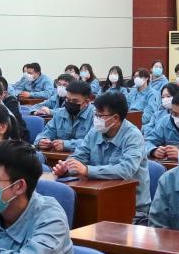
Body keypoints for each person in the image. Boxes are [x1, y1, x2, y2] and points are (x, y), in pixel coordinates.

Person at [55, 91, 150, 221]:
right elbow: (79, 156)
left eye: (100, 115)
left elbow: (126, 170)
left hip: (131, 206)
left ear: (115, 118)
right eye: (96, 114)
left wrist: (87, 170)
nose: (96, 119)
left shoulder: (133, 136)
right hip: (99, 196)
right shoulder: (95, 132)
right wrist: (66, 168)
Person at [37, 79, 95, 152]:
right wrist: (42, 141)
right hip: (58, 155)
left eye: (75, 101)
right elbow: (46, 133)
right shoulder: (60, 113)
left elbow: (92, 142)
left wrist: (66, 144)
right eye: (68, 99)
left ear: (86, 102)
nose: (70, 103)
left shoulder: (96, 116)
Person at [144, 91, 179, 160]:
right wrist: (153, 151)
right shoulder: (165, 122)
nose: (178, 118)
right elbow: (147, 142)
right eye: (174, 114)